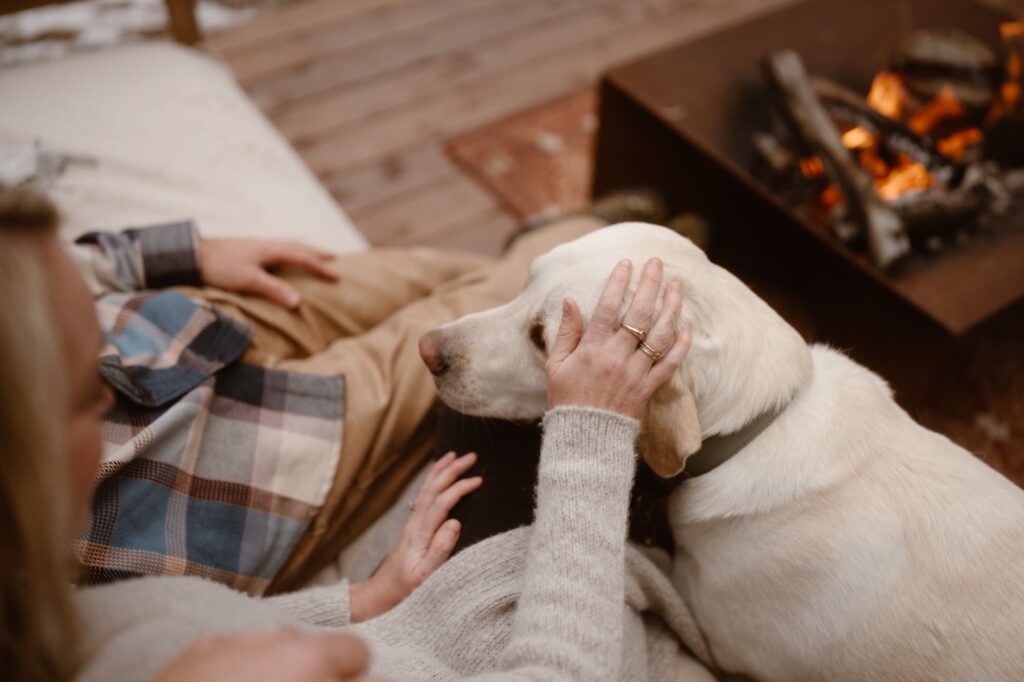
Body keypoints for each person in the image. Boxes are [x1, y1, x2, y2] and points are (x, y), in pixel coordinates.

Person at [0, 185, 715, 681]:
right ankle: (574, 241)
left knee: (457, 283)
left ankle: (546, 244)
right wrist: (592, 426)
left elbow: (183, 623)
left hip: (173, 326)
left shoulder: (57, 631)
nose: (102, 388)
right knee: (477, 317)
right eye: (79, 403)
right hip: (251, 454)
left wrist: (355, 603)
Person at [67, 192, 662, 595]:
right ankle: (590, 235)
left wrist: (176, 254)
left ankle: (555, 238)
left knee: (425, 274)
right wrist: (358, 604)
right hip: (221, 476)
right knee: (469, 317)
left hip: (150, 329)